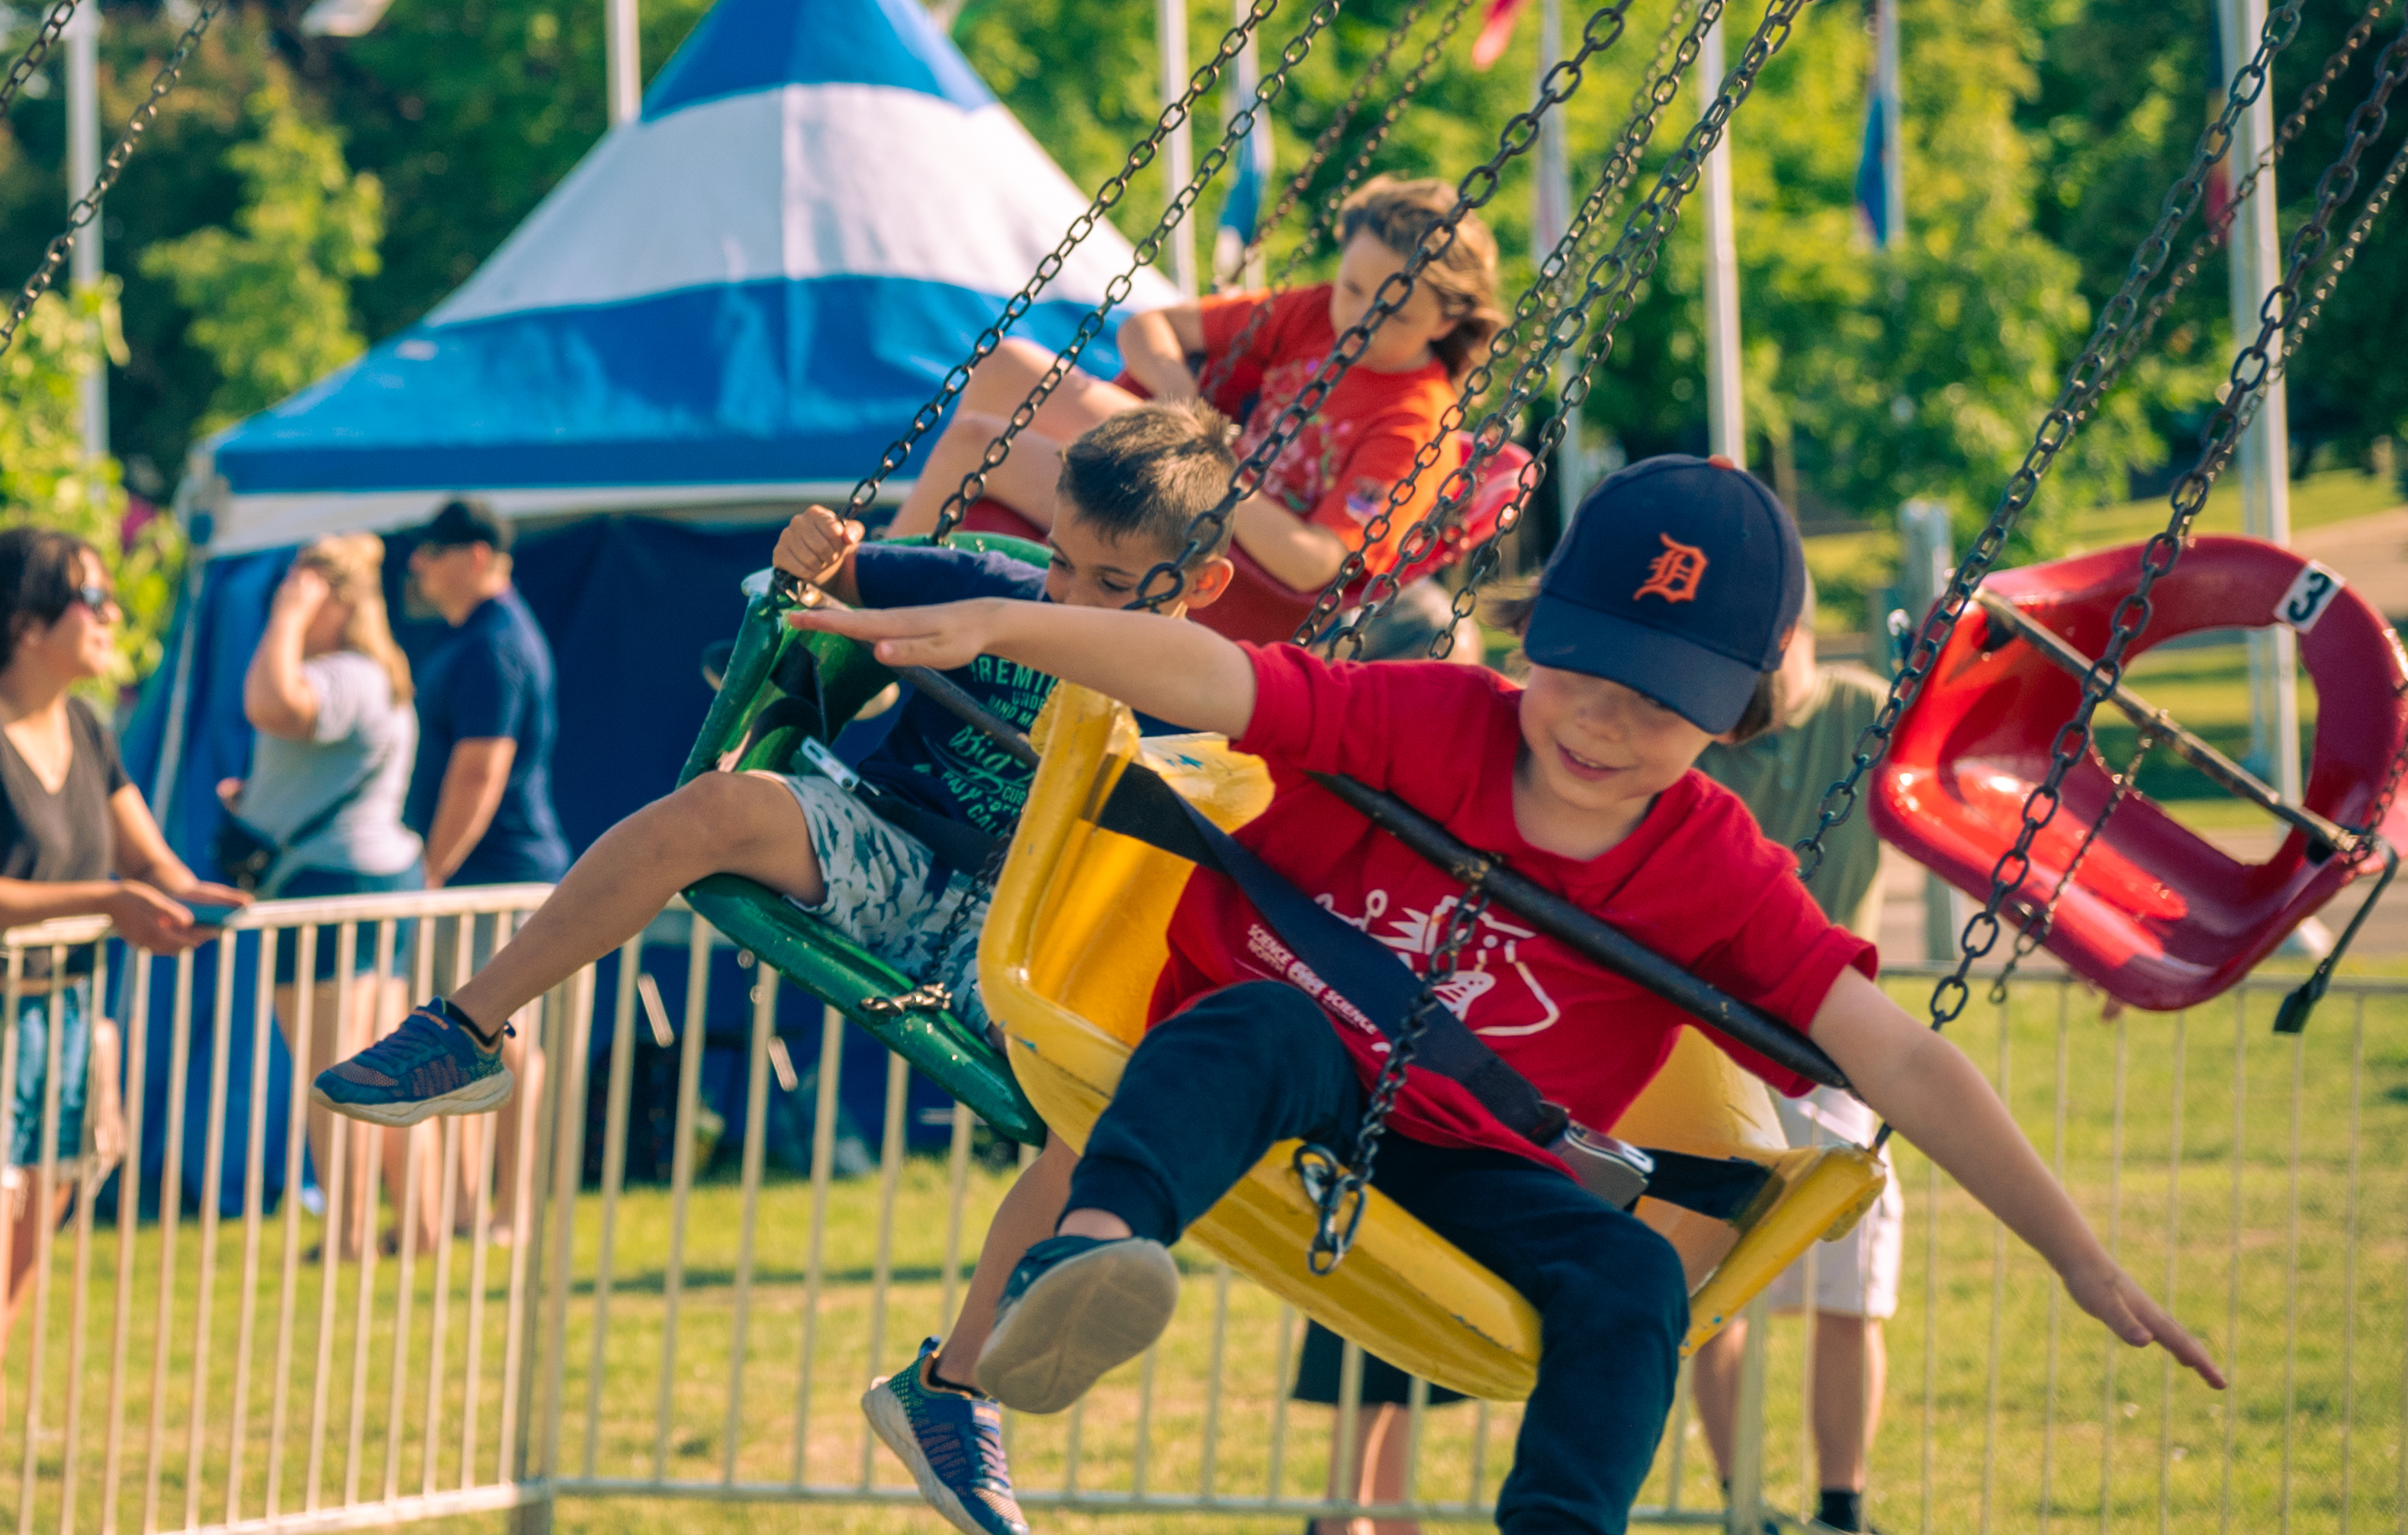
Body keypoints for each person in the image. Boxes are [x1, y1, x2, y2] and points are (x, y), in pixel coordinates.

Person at [802, 455, 2220, 1535]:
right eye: (1584, 673)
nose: (1604, 726)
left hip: (1463, 1150)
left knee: (1628, 1279)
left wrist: (2075, 1252)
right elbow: (1212, 671)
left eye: (1658, 704)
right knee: (1249, 1025)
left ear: (1728, 713)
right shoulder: (1430, 715)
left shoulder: (1714, 866)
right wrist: (1006, 618)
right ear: (1535, 637)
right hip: (1281, 1052)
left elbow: (1901, 1064)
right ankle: (1091, 1258)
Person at [315, 406, 1246, 1535]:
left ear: (1198, 586)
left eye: (1112, 579)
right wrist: (812, 546)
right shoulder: (984, 581)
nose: (1069, 594)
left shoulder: (1211, 682)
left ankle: (952, 1387)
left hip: (1024, 928)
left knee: (1100, 1094)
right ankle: (468, 1027)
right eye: (1058, 558)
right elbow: (826, 580)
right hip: (895, 844)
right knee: (713, 806)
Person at [0, 529, 236, 1535]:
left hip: (70, 1031)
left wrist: (234, 894)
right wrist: (109, 901)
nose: (112, 611)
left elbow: (154, 866)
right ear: (27, 622)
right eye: (93, 594)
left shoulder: (88, 723)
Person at [895, 173, 1501, 648]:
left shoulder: (1416, 419)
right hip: (1190, 486)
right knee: (1004, 371)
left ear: (1447, 320)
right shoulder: (1315, 313)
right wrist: (1178, 396)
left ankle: (869, 596)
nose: (1360, 317)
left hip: (1233, 574)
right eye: (1352, 287)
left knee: (981, 442)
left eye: (1393, 312)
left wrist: (1219, 471)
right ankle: (884, 579)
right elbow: (1150, 327)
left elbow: (1313, 560)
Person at [1688, 623, 1904, 1535]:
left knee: (1849, 1290)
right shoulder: (1692, 717)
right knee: (1712, 1289)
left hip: (1830, 1042)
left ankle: (1840, 1503)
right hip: (1706, 1040)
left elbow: (1966, 798)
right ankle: (1741, 1499)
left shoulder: (1861, 709)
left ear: (1798, 638)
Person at [223, 533, 425, 1257]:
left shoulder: (344, 671)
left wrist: (285, 615)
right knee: (386, 1060)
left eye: (302, 591)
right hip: (367, 877)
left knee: (335, 1064)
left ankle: (345, 1232)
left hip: (333, 882)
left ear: (332, 601)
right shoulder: (376, 673)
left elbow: (271, 703)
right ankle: (417, 1222)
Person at [398, 496, 561, 1241]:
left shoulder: (492, 642)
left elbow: (479, 772)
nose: (417, 566)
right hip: (496, 874)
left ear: (472, 554)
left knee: (501, 1043)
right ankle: (474, 1208)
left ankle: (507, 1211)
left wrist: (428, 873)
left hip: (495, 875)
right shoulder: (488, 634)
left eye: (430, 551)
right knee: (478, 1044)